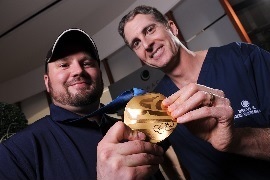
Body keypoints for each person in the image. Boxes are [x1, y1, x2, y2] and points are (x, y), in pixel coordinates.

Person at [118, 5, 270, 179]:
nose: (147, 44)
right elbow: (156, 156)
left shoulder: (242, 57)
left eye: (150, 30)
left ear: (172, 27)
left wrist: (235, 139)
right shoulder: (154, 104)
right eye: (136, 43)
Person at [0, 28, 166, 180]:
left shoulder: (133, 132)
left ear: (99, 74)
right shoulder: (15, 152)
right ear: (47, 82)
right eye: (64, 65)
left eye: (87, 63)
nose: (78, 71)